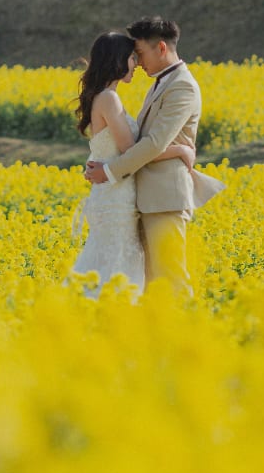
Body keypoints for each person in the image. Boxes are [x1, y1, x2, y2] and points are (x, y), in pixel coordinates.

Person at [83, 16, 223, 296]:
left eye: (140, 54)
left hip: (164, 196)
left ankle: (190, 332)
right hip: (142, 197)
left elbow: (154, 143)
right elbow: (142, 143)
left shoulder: (182, 86)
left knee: (171, 275)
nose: (137, 61)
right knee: (149, 281)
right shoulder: (160, 83)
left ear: (161, 48)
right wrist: (180, 149)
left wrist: (109, 170)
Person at [71, 30, 194, 298]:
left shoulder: (104, 97)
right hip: (115, 195)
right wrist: (179, 149)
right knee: (116, 263)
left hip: (114, 191)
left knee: (113, 261)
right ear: (117, 59)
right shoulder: (109, 98)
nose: (136, 64)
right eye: (131, 58)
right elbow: (132, 150)